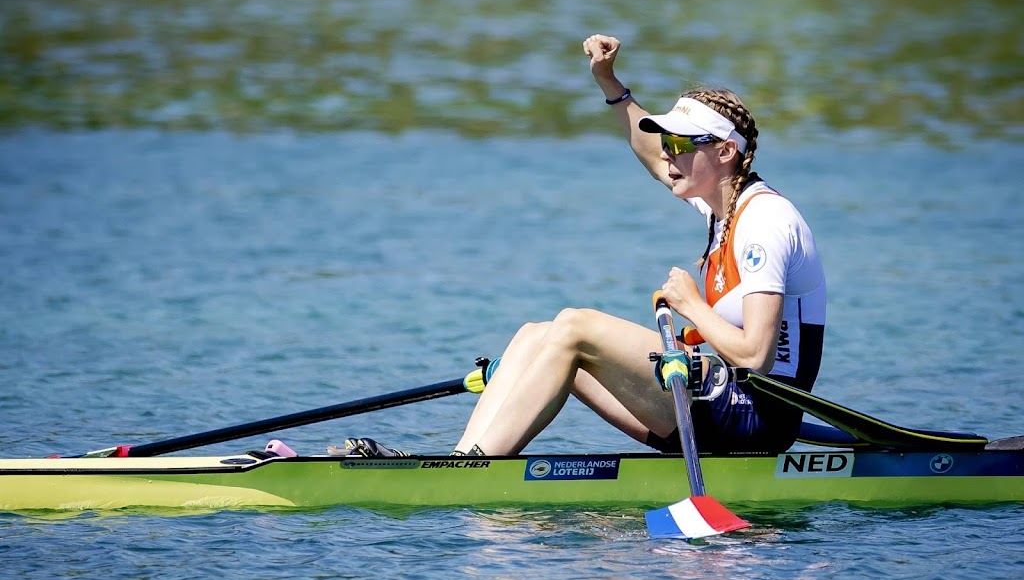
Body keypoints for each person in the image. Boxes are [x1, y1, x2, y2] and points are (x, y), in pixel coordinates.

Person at [346, 34, 826, 459]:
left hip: (757, 420)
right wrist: (610, 83)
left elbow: (755, 356)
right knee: (539, 334)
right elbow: (647, 151)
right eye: (668, 144)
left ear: (725, 151)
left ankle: (466, 470)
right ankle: (463, 460)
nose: (668, 156)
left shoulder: (764, 221)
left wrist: (692, 306)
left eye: (681, 145)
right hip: (712, 400)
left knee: (576, 326)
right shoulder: (722, 204)